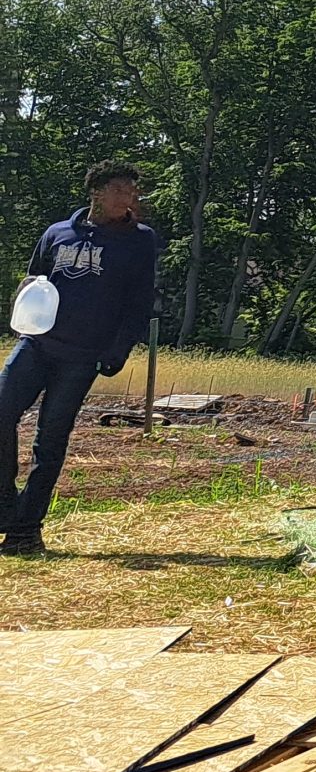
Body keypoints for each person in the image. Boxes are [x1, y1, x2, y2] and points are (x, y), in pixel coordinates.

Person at [3, 162, 162, 555]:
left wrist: (117, 351)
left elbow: (138, 303)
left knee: (50, 440)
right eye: (123, 191)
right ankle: (6, 508)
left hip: (83, 356)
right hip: (36, 345)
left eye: (134, 193)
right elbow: (33, 280)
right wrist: (20, 317)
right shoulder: (58, 232)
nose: (131, 200)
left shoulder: (140, 241)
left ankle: (25, 530)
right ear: (98, 192)